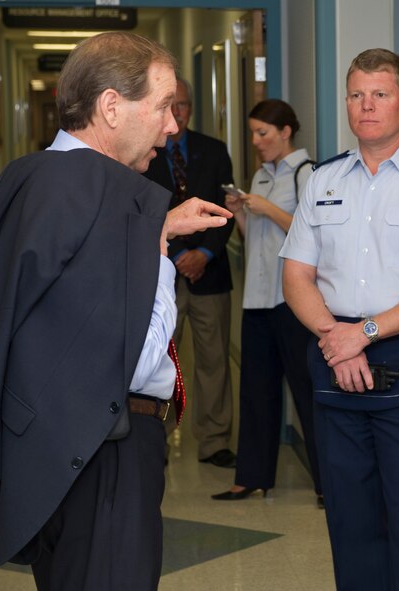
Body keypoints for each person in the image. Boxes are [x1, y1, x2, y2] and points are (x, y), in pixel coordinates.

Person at [0, 32, 231, 591]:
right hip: (107, 452)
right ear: (111, 107)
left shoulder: (26, 177)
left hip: (47, 449)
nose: (172, 125)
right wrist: (156, 249)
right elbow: (133, 359)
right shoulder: (113, 199)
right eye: (162, 106)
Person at [280, 48, 399, 591]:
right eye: (357, 95)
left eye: (380, 94)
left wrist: (362, 335)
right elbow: (296, 275)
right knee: (348, 518)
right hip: (332, 355)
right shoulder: (322, 179)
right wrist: (334, 338)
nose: (367, 106)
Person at [211, 99, 322, 505]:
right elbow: (253, 238)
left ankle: (326, 483)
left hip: (293, 300)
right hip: (257, 297)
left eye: (263, 133)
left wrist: (269, 210)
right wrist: (240, 214)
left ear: (285, 132)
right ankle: (252, 476)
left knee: (306, 390)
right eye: (254, 133)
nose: (256, 141)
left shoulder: (309, 175)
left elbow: (313, 234)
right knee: (256, 390)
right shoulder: (259, 176)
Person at [144, 77, 237, 469]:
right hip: (161, 269)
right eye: (171, 105)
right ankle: (156, 440)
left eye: (183, 105)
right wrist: (180, 253)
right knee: (159, 359)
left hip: (210, 273)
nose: (177, 113)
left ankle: (214, 440)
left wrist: (203, 252)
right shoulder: (146, 150)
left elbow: (227, 211)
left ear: (192, 108)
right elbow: (140, 209)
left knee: (214, 359)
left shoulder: (213, 151)